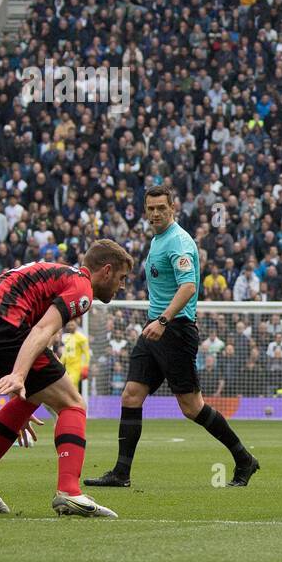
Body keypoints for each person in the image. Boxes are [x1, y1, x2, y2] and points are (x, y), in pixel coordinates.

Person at [86, 185, 259, 489]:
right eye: (150, 209)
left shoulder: (178, 241)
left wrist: (163, 320)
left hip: (174, 329)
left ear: (172, 208)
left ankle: (244, 458)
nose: (155, 213)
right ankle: (121, 473)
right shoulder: (158, 240)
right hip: (156, 327)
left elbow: (189, 287)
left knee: (192, 407)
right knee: (131, 395)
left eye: (161, 208)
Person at [0, 240, 134, 517]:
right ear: (107, 271)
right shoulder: (81, 288)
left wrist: (24, 389)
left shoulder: (60, 277)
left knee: (34, 397)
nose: (121, 286)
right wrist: (18, 375)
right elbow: (40, 330)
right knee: (73, 404)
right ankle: (69, 492)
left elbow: (42, 341)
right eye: (122, 278)